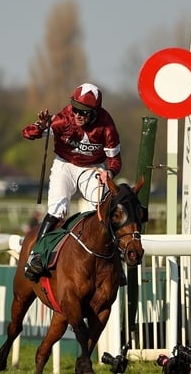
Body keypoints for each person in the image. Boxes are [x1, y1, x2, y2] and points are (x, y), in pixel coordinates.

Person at [20, 82, 122, 280]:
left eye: (83, 112)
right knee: (58, 209)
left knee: (104, 208)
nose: (77, 115)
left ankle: (114, 259)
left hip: (92, 168)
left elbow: (115, 160)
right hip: (65, 166)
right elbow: (27, 133)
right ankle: (37, 255)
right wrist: (40, 126)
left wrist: (109, 172)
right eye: (75, 109)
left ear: (95, 113)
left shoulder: (107, 127)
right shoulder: (63, 119)